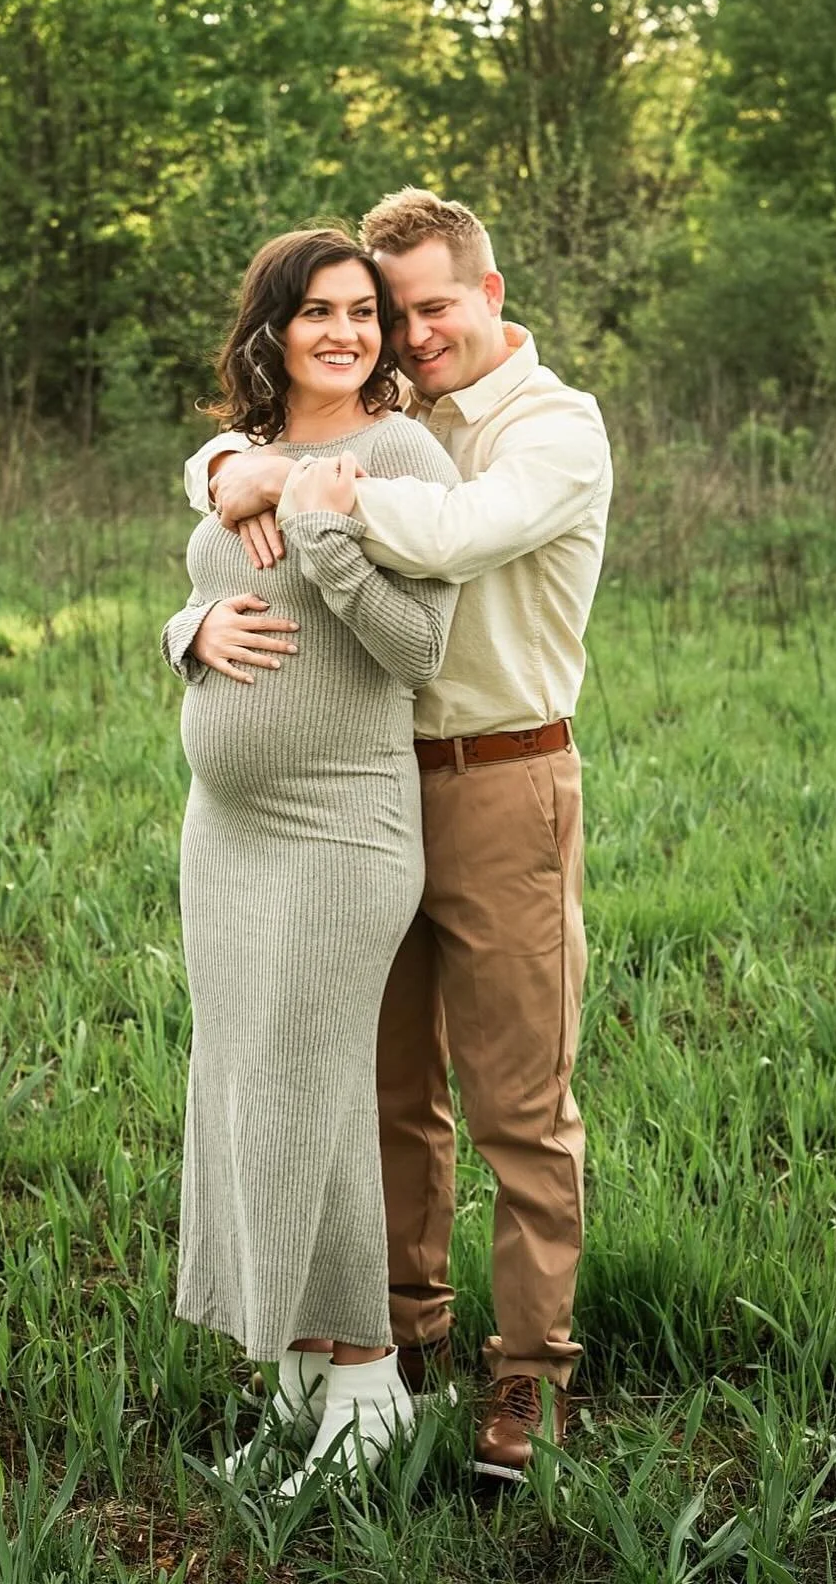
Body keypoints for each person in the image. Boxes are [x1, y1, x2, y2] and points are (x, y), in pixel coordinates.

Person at [184, 188, 612, 1481]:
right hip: (359, 784)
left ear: (490, 295)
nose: (411, 332)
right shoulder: (393, 422)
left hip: (497, 779)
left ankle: (527, 1379)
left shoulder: (552, 431)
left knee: (517, 1103)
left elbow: (455, 538)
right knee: (381, 1095)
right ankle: (392, 1355)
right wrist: (224, 477)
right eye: (392, 308)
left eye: (429, 307)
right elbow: (222, 535)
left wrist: (299, 489)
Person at [159, 226, 460, 1497]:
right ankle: (296, 1383)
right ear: (272, 326)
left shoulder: (398, 453)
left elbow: (418, 647)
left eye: (364, 315)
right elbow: (215, 590)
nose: (345, 333)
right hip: (224, 832)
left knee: (313, 1093)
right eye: (319, 311)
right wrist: (187, 628)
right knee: (242, 1088)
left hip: (344, 827)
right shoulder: (248, 456)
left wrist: (325, 530)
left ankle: (369, 1392)